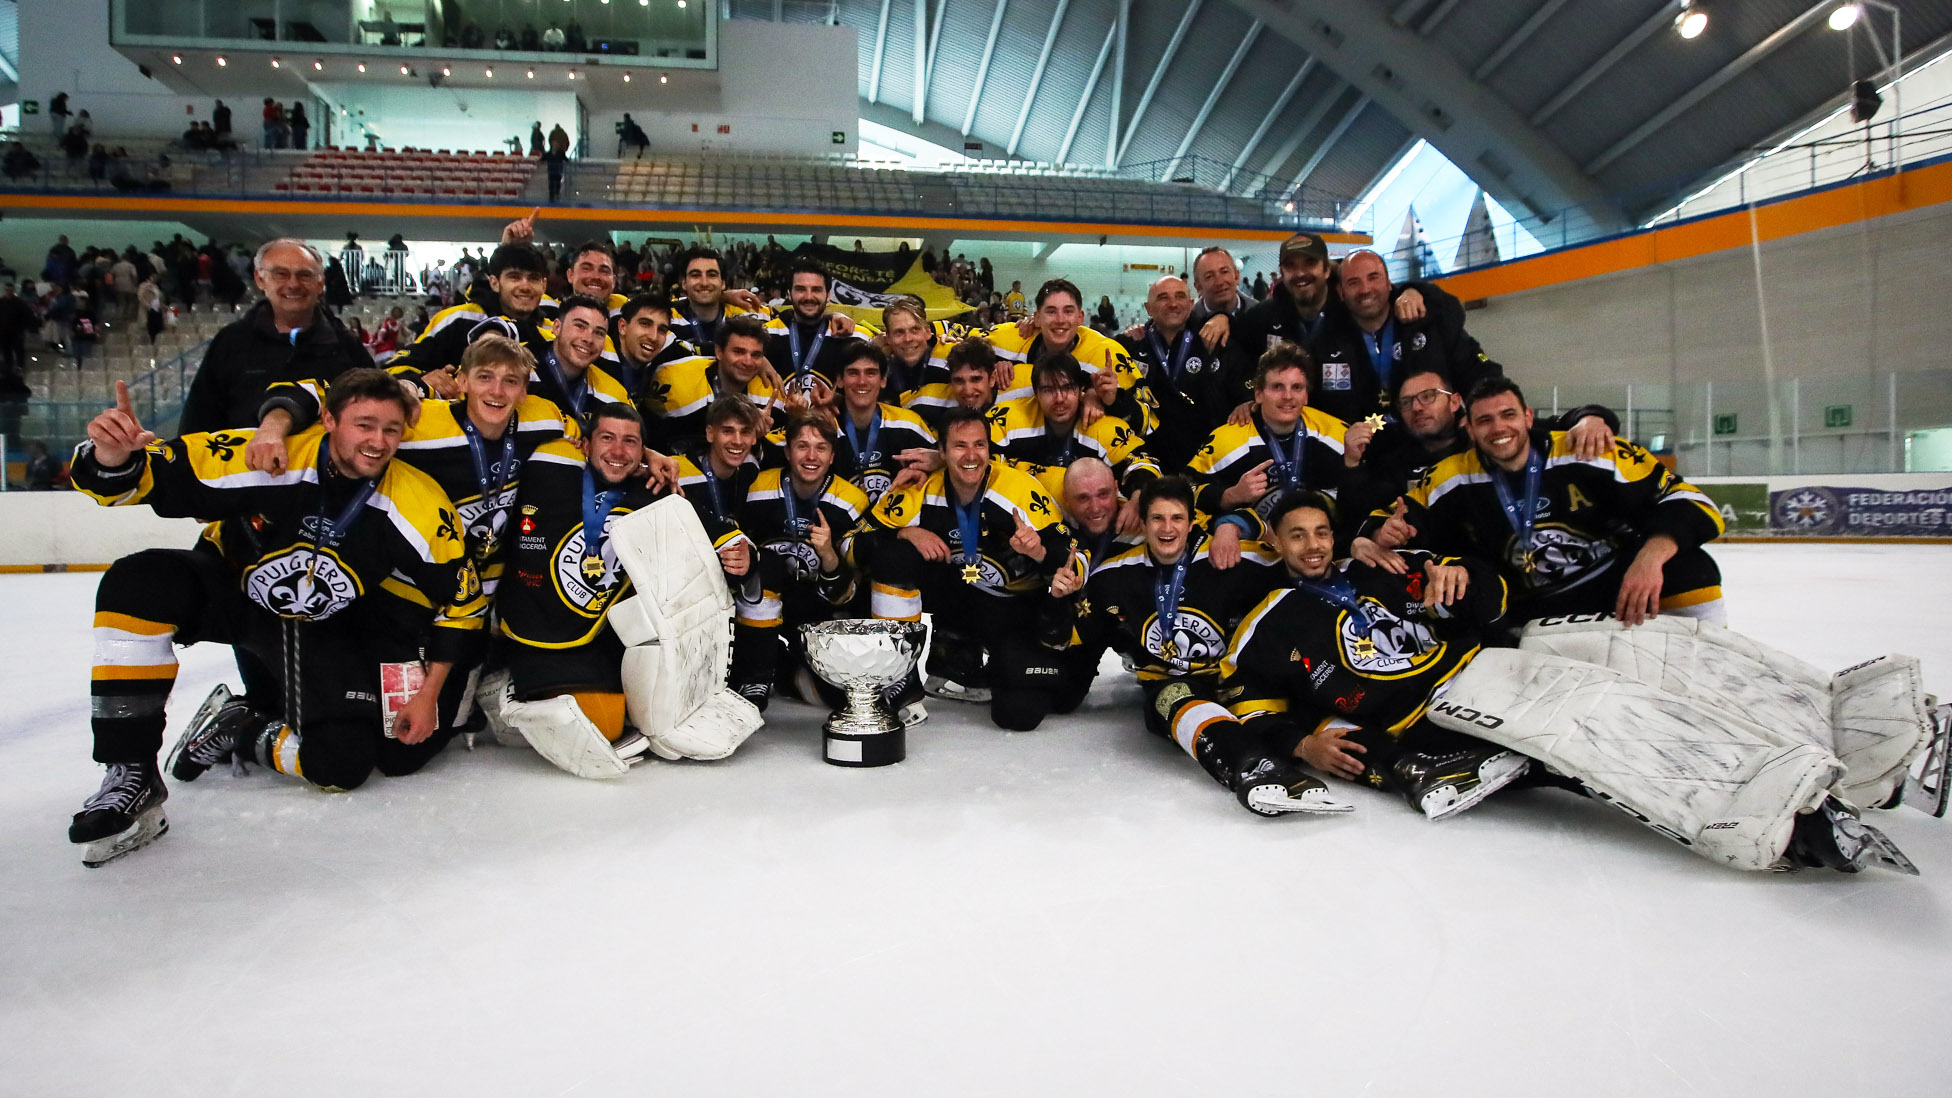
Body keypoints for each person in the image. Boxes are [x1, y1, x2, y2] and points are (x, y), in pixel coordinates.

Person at [1232, 494, 1930, 873]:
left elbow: (1491, 594)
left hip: (1495, 657)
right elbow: (1252, 708)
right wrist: (1304, 746)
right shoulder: (1264, 626)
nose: (1315, 545)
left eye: (1322, 531)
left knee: (1653, 654)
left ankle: (1840, 722)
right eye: (1298, 536)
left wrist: (1462, 579)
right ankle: (1783, 814)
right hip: (1441, 705)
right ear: (1274, 539)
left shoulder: (1381, 564)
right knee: (1605, 724)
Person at [66, 370, 487, 866]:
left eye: (391, 430)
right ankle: (130, 771)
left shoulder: (415, 504)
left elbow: (464, 604)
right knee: (138, 582)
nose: (377, 441)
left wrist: (428, 691)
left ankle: (239, 725)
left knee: (342, 765)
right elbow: (145, 477)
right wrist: (113, 457)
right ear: (329, 420)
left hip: (328, 628)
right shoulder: (269, 457)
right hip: (237, 598)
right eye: (363, 425)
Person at [1055, 478, 1344, 816]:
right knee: (1172, 696)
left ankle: (1397, 760)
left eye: (1177, 518)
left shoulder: (1232, 557)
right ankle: (1254, 769)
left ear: (1192, 523)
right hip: (1170, 688)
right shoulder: (1113, 577)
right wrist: (1061, 600)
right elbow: (1071, 638)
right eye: (1157, 519)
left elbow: (1297, 552)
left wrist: (1232, 526)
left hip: (1238, 681)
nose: (1167, 528)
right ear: (1143, 524)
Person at [1356, 376, 1728, 629]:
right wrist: (1379, 529)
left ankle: (1717, 662)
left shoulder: (1586, 449)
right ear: (1469, 428)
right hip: (1528, 605)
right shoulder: (1451, 475)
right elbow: (1388, 516)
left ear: (1529, 417)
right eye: (1484, 420)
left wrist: (1649, 558)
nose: (1499, 428)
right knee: (1456, 599)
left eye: (1508, 415)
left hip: (1612, 583)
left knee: (1690, 567)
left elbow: (1688, 499)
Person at [859, 409, 1072, 728]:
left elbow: (1068, 561)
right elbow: (853, 544)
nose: (971, 456)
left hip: (1014, 608)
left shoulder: (1016, 490)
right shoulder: (919, 488)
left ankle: (981, 662)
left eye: (979, 445)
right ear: (941, 452)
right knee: (893, 555)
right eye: (960, 446)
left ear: (990, 448)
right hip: (959, 593)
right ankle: (899, 678)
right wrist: (904, 532)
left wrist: (1039, 550)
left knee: (1019, 713)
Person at [494, 405, 670, 774]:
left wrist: (735, 550)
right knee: (604, 726)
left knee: (619, 722)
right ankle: (503, 684)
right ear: (585, 444)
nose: (618, 451)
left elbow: (701, 520)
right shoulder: (549, 463)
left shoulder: (650, 492)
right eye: (607, 439)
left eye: (630, 443)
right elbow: (503, 421)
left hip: (593, 636)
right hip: (532, 628)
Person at [1338, 366, 1621, 528]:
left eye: (1428, 396)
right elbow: (1358, 515)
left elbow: (1552, 425)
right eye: (1407, 402)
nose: (1418, 407)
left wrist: (1590, 418)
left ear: (1454, 402)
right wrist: (1352, 464)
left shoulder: (1491, 432)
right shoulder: (1395, 461)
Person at [727, 412, 869, 709]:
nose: (811, 455)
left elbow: (847, 595)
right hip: (762, 600)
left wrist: (829, 554)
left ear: (832, 457)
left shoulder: (850, 500)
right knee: (765, 564)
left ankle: (784, 670)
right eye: (802, 446)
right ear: (788, 451)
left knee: (840, 698)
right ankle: (756, 674)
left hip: (817, 607)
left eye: (821, 448)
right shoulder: (757, 488)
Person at [179, 240, 371, 438]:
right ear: (260, 279)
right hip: (241, 466)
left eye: (304, 275)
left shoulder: (347, 346)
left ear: (320, 283)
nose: (293, 284)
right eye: (281, 274)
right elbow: (198, 424)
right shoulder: (231, 343)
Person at [1309, 250, 1491, 426]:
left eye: (1373, 277)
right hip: (1365, 448)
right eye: (1353, 282)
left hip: (1433, 443)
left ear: (1389, 283)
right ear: (1341, 292)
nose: (1365, 289)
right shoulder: (1325, 340)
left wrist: (1484, 414)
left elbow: (1477, 370)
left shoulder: (1426, 322)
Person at [1186, 342, 1351, 532]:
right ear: (1258, 394)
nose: (1287, 396)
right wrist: (1230, 495)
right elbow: (1184, 493)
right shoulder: (1228, 440)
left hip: (1318, 547)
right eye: (1277, 387)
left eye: (1297, 387)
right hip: (1252, 550)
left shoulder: (1335, 434)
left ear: (1306, 396)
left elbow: (1363, 495)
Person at [987, 353, 1158, 507]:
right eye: (1048, 390)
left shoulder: (1103, 426)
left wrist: (1139, 496)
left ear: (1080, 390)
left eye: (1067, 388)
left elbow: (1141, 462)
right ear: (1036, 393)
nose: (1059, 399)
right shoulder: (1006, 418)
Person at [981, 278, 1150, 434]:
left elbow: (1149, 424)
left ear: (1080, 317)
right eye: (1051, 312)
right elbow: (959, 344)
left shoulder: (1106, 354)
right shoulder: (1011, 338)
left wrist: (1113, 401)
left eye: (1068, 311)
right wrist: (989, 365)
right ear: (1037, 318)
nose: (1060, 320)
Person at [390, 243, 554, 395]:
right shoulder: (458, 319)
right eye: (514, 277)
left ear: (544, 285)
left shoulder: (552, 333)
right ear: (494, 282)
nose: (525, 286)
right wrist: (422, 379)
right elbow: (393, 369)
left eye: (533, 278)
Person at [1120, 275, 1225, 470]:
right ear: (1148, 308)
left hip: (1204, 460)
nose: (1173, 304)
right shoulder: (1130, 347)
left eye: (1179, 296)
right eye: (1163, 297)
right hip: (1148, 460)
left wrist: (1246, 402)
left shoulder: (1212, 341)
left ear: (1191, 303)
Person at [827, 342, 937, 508]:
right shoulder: (824, 426)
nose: (862, 381)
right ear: (840, 380)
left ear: (883, 380)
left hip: (894, 526)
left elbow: (941, 470)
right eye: (853, 373)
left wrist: (940, 460)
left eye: (871, 373)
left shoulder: (909, 425)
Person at [646, 313, 777, 451]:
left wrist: (758, 441)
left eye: (755, 355)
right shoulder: (675, 383)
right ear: (719, 352)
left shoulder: (769, 395)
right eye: (738, 352)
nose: (748, 361)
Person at [765, 258, 867, 390]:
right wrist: (757, 359)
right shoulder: (766, 336)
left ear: (828, 295)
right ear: (789, 294)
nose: (809, 297)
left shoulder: (853, 337)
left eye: (816, 290)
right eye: (801, 289)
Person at [905, 336, 998, 429]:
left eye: (976, 379)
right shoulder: (925, 400)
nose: (968, 391)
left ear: (992, 378)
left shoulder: (1010, 394)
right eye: (958, 380)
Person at [137, 273, 165, 345]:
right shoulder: (143, 286)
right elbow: (140, 297)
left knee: (156, 329)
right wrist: (148, 306)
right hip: (147, 310)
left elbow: (159, 297)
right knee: (145, 328)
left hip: (156, 310)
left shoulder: (156, 287)